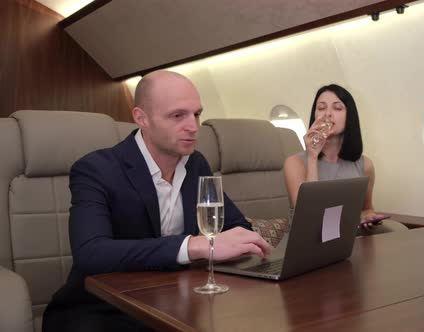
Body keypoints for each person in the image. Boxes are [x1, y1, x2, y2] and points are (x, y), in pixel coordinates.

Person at [42, 70, 271, 331]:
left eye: (196, 114)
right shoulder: (96, 169)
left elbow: (235, 226)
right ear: (142, 118)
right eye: (178, 115)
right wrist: (192, 246)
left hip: (175, 301)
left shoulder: (196, 164)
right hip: (100, 308)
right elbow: (92, 253)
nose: (194, 127)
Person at [283, 84, 401, 232]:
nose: (327, 114)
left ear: (350, 116)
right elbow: (308, 215)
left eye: (337, 108)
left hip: (350, 239)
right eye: (321, 108)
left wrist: (368, 216)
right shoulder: (295, 163)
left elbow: (367, 208)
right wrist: (312, 156)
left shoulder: (365, 165)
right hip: (309, 242)